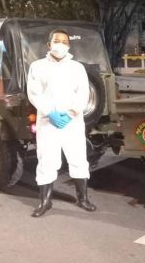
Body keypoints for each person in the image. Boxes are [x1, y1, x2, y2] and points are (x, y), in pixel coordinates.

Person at [27, 29, 96, 217]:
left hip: (72, 122)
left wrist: (71, 113)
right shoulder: (37, 67)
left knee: (78, 158)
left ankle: (82, 198)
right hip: (48, 122)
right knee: (46, 160)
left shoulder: (77, 68)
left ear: (69, 46)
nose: (61, 44)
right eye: (57, 41)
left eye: (65, 42)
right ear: (49, 44)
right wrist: (50, 112)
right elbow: (34, 93)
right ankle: (45, 201)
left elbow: (83, 93)